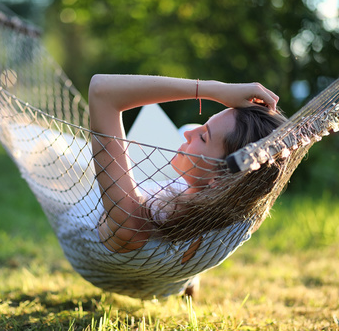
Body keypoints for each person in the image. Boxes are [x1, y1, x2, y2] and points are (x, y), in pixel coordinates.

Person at [56, 74, 287, 299]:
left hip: (102, 255)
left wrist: (213, 89)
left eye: (204, 136)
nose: (190, 132)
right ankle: (190, 281)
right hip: (173, 276)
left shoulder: (133, 222)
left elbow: (101, 90)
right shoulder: (242, 216)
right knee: (182, 131)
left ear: (221, 182)